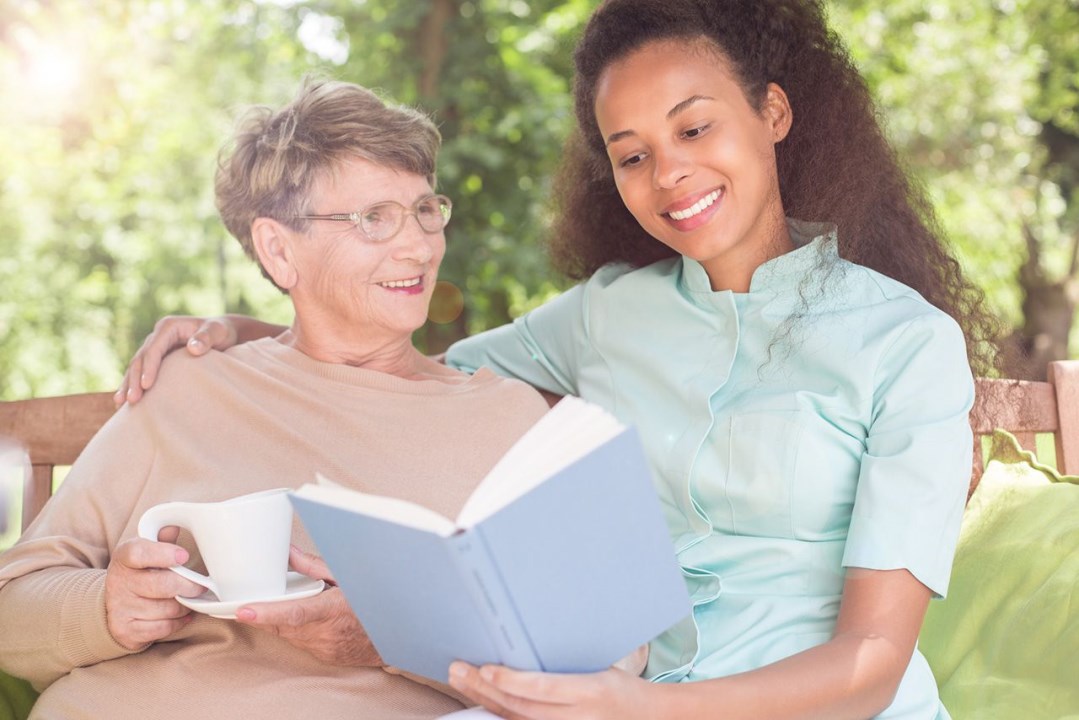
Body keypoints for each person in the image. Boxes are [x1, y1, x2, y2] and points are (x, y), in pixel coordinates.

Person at [113, 0, 1005, 717]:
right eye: (632, 155)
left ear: (771, 112)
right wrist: (250, 326)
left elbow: (871, 664)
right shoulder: (609, 310)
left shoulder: (905, 343)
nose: (669, 176)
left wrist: (640, 712)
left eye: (695, 130)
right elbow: (407, 366)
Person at [0, 78, 555, 719]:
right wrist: (106, 608)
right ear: (278, 249)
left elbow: (590, 670)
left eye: (426, 210)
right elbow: (13, 612)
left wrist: (391, 637)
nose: (420, 245)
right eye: (375, 218)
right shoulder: (189, 385)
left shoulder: (506, 420)